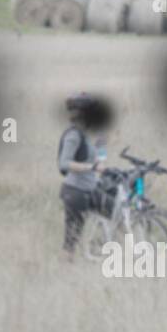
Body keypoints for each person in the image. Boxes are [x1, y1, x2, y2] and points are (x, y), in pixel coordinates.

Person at [57, 92, 106, 260]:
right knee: (71, 240)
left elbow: (99, 158)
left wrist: (101, 147)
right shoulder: (74, 135)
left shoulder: (86, 134)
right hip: (75, 191)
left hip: (89, 189)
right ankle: (64, 271)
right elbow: (64, 163)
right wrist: (90, 167)